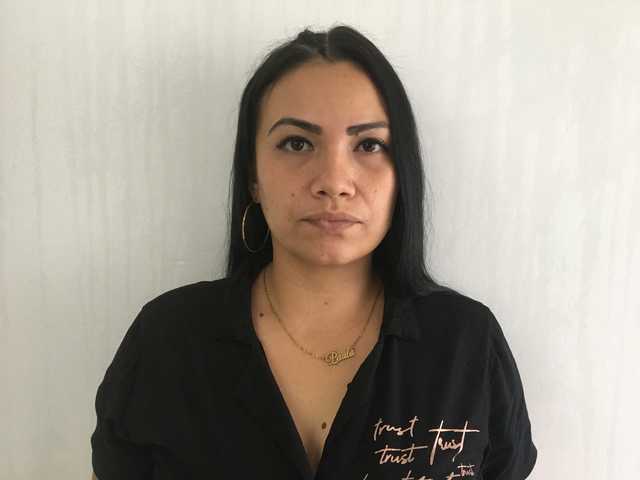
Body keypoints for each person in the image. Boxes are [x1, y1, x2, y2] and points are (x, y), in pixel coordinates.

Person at [90, 24, 537, 479]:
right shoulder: (166, 342)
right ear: (253, 176)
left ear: (401, 173)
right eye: (297, 143)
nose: (334, 182)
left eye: (369, 145)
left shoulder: (467, 345)